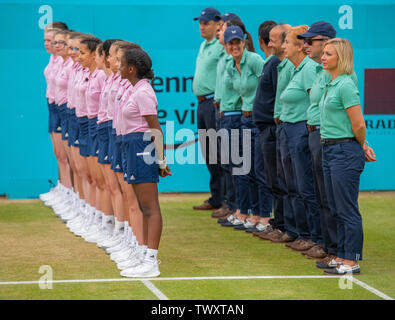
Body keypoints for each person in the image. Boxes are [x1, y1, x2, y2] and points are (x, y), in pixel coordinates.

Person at [319, 38, 376, 275]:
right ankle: (341, 255)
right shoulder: (331, 84)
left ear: (340, 58)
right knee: (335, 206)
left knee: (346, 208)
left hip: (344, 151)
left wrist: (361, 145)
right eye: (323, 53)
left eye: (328, 54)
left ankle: (351, 260)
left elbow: (359, 124)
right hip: (330, 149)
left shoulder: (345, 85)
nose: (323, 57)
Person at [118, 48, 171, 278]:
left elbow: (155, 128)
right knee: (143, 207)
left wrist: (161, 160)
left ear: (131, 69)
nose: (118, 67)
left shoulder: (143, 92)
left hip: (142, 148)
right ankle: (144, 255)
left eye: (121, 64)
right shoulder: (135, 90)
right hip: (133, 147)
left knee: (150, 208)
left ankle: (151, 261)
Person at [295, 21, 340, 261]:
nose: (305, 45)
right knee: (320, 194)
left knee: (329, 196)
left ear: (327, 42)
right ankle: (325, 243)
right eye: (304, 40)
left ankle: (334, 248)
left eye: (310, 41)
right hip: (314, 133)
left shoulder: (337, 74)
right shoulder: (319, 70)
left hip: (326, 135)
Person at [220, 25, 271, 231]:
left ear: (244, 41)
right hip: (243, 118)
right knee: (244, 168)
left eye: (237, 42)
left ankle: (265, 216)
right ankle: (252, 212)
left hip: (258, 119)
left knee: (259, 169)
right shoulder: (231, 65)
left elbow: (267, 87)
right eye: (230, 43)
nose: (234, 46)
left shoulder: (254, 60)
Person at [276, 25, 320, 252]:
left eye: (287, 43)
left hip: (302, 129)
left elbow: (316, 102)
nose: (283, 47)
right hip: (289, 127)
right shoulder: (294, 69)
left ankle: (312, 236)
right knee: (292, 185)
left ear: (300, 47)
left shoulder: (309, 69)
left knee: (305, 186)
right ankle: (298, 232)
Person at [260, 23, 300, 244]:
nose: (273, 44)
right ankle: (284, 225)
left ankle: (292, 229)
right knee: (279, 181)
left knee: (290, 184)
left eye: (280, 40)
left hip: (286, 127)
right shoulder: (279, 64)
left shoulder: (282, 65)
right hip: (279, 127)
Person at [252, 20, 287, 236]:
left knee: (278, 180)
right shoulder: (271, 62)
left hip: (273, 129)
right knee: (272, 179)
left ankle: (283, 225)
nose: (271, 45)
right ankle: (280, 223)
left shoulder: (274, 63)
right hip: (266, 128)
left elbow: (278, 94)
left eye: (275, 41)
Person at [192, 7, 224, 212]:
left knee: (219, 151)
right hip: (202, 102)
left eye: (206, 23)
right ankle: (216, 197)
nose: (202, 26)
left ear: (217, 24)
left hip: (214, 102)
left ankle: (225, 199)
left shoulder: (221, 46)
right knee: (209, 152)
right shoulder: (204, 45)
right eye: (201, 23)